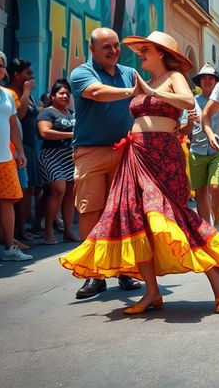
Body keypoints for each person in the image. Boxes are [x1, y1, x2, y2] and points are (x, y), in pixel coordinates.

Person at [60, 31, 219, 314]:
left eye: (146, 50)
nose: (140, 54)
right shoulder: (144, 81)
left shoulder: (173, 78)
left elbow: (189, 103)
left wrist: (152, 94)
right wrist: (144, 92)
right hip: (135, 154)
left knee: (170, 217)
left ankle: (215, 274)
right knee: (135, 221)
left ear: (162, 54)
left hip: (162, 155)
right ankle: (152, 292)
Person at [66, 28, 141, 299]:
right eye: (106, 47)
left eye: (115, 45)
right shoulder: (81, 73)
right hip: (90, 152)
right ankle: (94, 274)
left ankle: (125, 270)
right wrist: (133, 91)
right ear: (92, 49)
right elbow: (97, 93)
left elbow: (141, 104)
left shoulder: (130, 73)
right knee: (91, 211)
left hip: (125, 152)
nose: (113, 50)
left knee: (124, 212)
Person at [37, 79, 79, 245]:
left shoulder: (72, 113)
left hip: (70, 156)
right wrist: (71, 135)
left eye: (68, 94)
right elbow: (45, 132)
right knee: (58, 189)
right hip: (51, 156)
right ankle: (48, 231)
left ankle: (68, 231)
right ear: (53, 96)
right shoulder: (47, 113)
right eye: (61, 93)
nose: (65, 96)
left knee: (70, 194)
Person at [186, 63, 219, 233]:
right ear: (199, 82)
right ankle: (207, 232)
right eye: (204, 78)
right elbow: (183, 130)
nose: (207, 81)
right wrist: (189, 121)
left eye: (210, 78)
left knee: (216, 187)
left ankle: (218, 224)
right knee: (201, 192)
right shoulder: (191, 102)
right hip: (197, 150)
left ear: (216, 81)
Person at [0, 51, 32, 261]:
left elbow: (13, 125)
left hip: (5, 157)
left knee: (7, 201)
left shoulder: (7, 95)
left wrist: (19, 151)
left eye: (2, 64)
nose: (0, 67)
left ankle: (10, 247)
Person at [6, 58, 40, 242]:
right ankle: (17, 230)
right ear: (17, 74)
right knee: (21, 190)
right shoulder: (10, 93)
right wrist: (26, 92)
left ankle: (23, 227)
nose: (31, 77)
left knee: (30, 189)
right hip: (19, 147)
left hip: (31, 146)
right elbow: (20, 115)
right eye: (28, 73)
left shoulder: (26, 93)